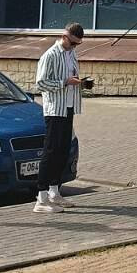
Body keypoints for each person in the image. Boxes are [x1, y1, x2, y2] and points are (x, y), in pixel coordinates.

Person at [32, 22, 86, 213]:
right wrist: (64, 82)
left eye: (78, 44)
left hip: (68, 107)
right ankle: (41, 198)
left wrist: (80, 83)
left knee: (63, 150)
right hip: (55, 109)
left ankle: (54, 192)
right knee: (51, 151)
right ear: (64, 37)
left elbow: (71, 77)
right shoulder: (50, 55)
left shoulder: (71, 54)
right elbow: (41, 83)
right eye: (72, 43)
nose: (74, 47)